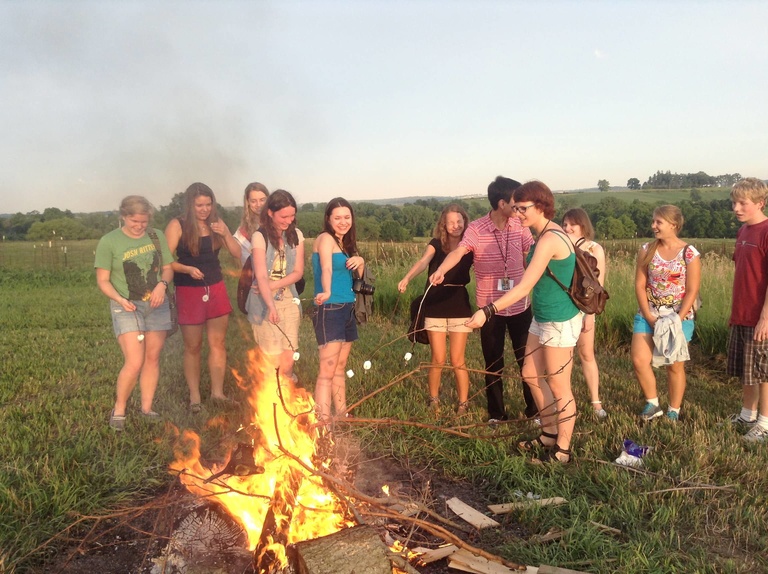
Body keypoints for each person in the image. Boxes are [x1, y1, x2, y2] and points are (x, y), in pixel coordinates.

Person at [465, 180, 581, 463]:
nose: (517, 214)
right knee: (530, 373)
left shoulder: (551, 238)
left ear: (541, 206)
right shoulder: (539, 234)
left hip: (558, 319)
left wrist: (487, 311)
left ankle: (563, 450)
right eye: (515, 208)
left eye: (523, 209)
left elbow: (522, 287)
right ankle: (549, 432)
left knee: (558, 384)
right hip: (541, 316)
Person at [429, 176, 536, 423]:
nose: (519, 207)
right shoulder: (476, 229)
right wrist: (441, 270)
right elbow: (458, 252)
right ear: (501, 203)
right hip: (488, 310)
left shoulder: (520, 225)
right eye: (515, 202)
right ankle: (496, 414)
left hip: (520, 305)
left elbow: (532, 251)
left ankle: (534, 411)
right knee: (493, 363)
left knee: (527, 362)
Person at [95, 196, 174, 431]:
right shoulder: (109, 242)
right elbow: (103, 280)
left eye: (143, 221)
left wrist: (163, 285)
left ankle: (147, 408)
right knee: (135, 360)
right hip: (125, 305)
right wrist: (119, 299)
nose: (139, 226)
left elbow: (167, 269)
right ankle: (119, 408)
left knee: (152, 357)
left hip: (157, 303)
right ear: (123, 216)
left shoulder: (156, 236)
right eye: (134, 221)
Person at [165, 183, 241, 412]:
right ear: (190, 204)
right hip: (189, 290)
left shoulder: (216, 224)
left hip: (215, 287)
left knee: (218, 343)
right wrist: (187, 269)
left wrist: (226, 233)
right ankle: (195, 398)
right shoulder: (177, 225)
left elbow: (237, 254)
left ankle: (218, 393)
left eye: (208, 204)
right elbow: (165, 262)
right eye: (199, 205)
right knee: (193, 346)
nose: (204, 209)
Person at [398, 204, 474, 415]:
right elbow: (423, 262)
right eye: (451, 222)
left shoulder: (470, 245)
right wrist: (406, 277)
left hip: (459, 303)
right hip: (435, 303)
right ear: (444, 224)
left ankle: (463, 404)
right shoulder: (436, 244)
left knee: (458, 359)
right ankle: (433, 400)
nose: (455, 225)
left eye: (459, 221)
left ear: (465, 222)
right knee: (438, 358)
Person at [632, 205, 701, 422]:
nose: (653, 226)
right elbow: (639, 284)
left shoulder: (689, 253)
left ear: (673, 225)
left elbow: (692, 289)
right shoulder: (647, 249)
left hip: (679, 318)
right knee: (639, 360)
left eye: (658, 222)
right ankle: (652, 404)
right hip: (647, 314)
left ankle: (674, 410)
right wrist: (648, 314)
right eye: (653, 221)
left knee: (674, 365)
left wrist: (677, 320)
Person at [312, 198, 365, 423]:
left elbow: (359, 280)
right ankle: (323, 422)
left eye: (347, 217)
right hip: (331, 308)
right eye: (337, 218)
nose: (343, 222)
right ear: (328, 219)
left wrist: (360, 261)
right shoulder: (325, 239)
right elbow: (325, 267)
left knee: (340, 366)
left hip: (347, 308)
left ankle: (341, 413)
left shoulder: (345, 244)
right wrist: (325, 291)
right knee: (327, 369)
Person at [725, 178, 768, 442]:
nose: (737, 208)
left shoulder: (766, 231)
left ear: (760, 203)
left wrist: (766, 317)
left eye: (743, 203)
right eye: (734, 203)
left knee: (764, 372)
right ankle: (746, 415)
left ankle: (764, 424)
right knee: (748, 368)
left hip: (761, 316)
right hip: (741, 311)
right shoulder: (743, 232)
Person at [248, 190, 304, 381]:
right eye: (284, 216)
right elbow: (261, 275)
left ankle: (285, 398)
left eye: (292, 215)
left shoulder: (296, 235)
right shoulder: (260, 237)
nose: (289, 221)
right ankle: (271, 400)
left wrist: (275, 285)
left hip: (289, 299)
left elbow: (298, 272)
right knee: (271, 358)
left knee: (289, 354)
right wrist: (271, 306)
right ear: (270, 213)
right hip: (264, 303)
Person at [562, 208, 607, 418]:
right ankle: (564, 400)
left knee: (587, 353)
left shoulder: (594, 248)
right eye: (565, 224)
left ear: (583, 225)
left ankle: (596, 402)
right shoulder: (561, 245)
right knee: (564, 355)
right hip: (564, 306)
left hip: (585, 306)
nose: (568, 228)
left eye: (573, 224)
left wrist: (591, 314)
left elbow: (598, 284)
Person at [233, 182, 269, 266]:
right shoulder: (242, 231)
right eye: (253, 201)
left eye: (262, 200)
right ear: (248, 202)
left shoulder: (279, 221)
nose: (258, 205)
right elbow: (246, 260)